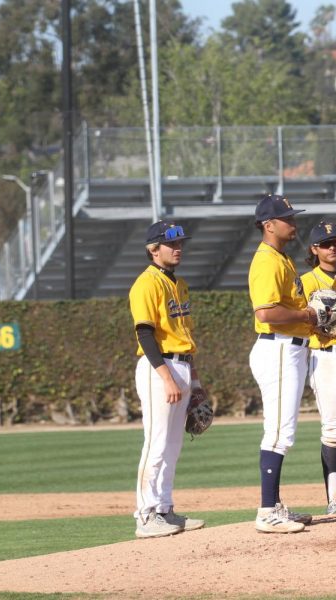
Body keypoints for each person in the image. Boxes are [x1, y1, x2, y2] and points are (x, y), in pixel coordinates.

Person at [129, 220, 206, 538]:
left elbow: (184, 335)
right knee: (157, 442)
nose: (178, 249)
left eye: (180, 244)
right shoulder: (146, 284)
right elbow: (145, 334)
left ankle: (164, 509)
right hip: (158, 367)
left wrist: (195, 382)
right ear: (153, 249)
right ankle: (145, 515)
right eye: (170, 244)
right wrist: (167, 378)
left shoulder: (179, 283)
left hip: (182, 366)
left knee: (173, 445)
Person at [248, 194, 317, 534]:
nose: (294, 223)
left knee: (282, 432)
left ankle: (274, 505)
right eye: (287, 218)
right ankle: (265, 511)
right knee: (278, 432)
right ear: (268, 225)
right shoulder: (267, 261)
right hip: (277, 349)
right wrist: (308, 314)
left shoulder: (281, 258)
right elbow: (266, 312)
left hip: (289, 349)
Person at [300, 221, 336, 515]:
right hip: (325, 356)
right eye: (325, 243)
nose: (333, 247)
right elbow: (302, 319)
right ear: (314, 249)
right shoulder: (307, 280)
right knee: (334, 429)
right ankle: (334, 497)